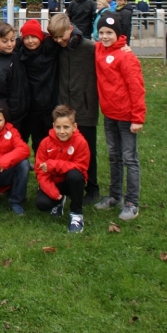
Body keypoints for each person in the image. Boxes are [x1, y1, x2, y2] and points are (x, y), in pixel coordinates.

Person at [94, 13, 146, 220]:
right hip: (109, 114)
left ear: (118, 34)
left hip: (126, 117)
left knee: (129, 158)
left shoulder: (126, 57)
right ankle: (115, 195)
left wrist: (137, 117)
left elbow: (136, 88)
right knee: (114, 155)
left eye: (109, 33)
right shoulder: (98, 50)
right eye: (101, 32)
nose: (105, 36)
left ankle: (132, 202)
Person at [48, 13, 99, 204]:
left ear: (70, 29)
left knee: (88, 150)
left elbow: (107, 52)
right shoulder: (57, 48)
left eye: (62, 36)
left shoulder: (89, 48)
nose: (59, 41)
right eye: (55, 38)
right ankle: (67, 185)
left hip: (85, 107)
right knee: (63, 148)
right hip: (64, 107)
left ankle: (92, 187)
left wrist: (124, 48)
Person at [35, 104, 90, 233]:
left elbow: (81, 166)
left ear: (74, 127)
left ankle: (76, 215)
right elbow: (40, 172)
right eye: (58, 127)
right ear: (53, 126)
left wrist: (53, 164)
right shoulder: (45, 143)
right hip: (54, 182)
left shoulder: (81, 143)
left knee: (75, 175)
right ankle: (59, 201)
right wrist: (54, 193)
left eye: (66, 127)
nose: (62, 131)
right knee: (42, 204)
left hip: (71, 182)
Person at [17, 19, 60, 151]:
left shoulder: (51, 49)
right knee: (36, 141)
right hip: (31, 107)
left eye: (34, 37)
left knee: (51, 141)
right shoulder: (20, 53)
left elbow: (67, 32)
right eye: (26, 38)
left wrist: (48, 37)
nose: (30, 41)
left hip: (49, 105)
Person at [0, 21, 30, 134]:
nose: (10, 44)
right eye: (5, 41)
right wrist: (8, 112)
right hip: (12, 114)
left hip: (23, 109)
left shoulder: (14, 52)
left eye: (12, 40)